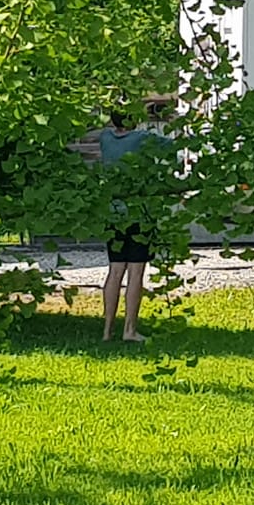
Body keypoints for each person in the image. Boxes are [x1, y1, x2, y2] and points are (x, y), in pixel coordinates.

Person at [97, 98, 174, 343]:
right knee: (136, 273)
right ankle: (129, 329)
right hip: (139, 213)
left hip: (113, 212)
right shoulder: (142, 139)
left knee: (115, 270)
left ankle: (107, 330)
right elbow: (172, 146)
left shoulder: (105, 139)